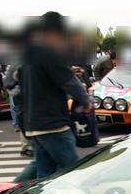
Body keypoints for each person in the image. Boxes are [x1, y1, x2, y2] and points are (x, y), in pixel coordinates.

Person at [21, 12, 92, 178]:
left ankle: (21, 191)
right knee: (72, 170)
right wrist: (86, 101)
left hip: (34, 123)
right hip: (52, 124)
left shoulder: (30, 53)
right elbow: (70, 82)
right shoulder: (49, 53)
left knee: (44, 175)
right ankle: (10, 190)